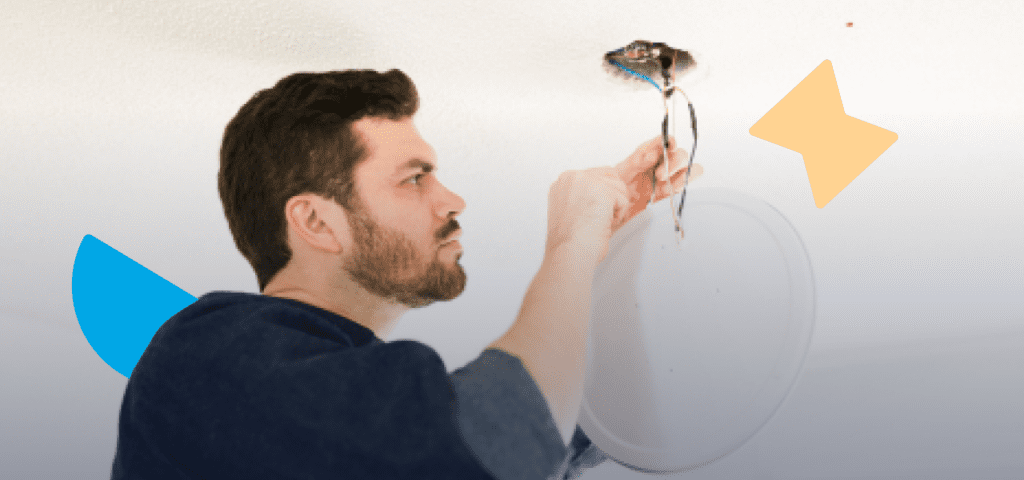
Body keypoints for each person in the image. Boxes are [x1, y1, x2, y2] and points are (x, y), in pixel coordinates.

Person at [109, 69, 701, 480]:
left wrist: (612, 269)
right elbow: (511, 439)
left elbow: (573, 424)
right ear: (316, 220)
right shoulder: (202, 358)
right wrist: (570, 245)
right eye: (414, 178)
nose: (453, 200)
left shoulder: (333, 432)